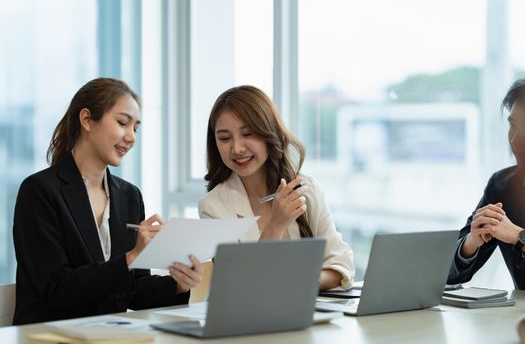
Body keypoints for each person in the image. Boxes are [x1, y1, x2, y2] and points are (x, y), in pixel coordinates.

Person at [12, 77, 202, 325]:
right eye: (123, 123)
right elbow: (55, 289)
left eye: (136, 128)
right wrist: (131, 257)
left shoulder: (129, 196)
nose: (131, 137)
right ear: (87, 120)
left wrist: (177, 284)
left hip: (108, 335)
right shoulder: (39, 192)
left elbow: (132, 289)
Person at [198, 85, 355, 290]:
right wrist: (275, 225)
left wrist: (300, 282)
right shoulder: (213, 206)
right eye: (225, 138)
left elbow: (341, 264)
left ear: (268, 133)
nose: (237, 148)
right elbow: (242, 284)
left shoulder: (305, 189)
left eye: (248, 134)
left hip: (312, 311)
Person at [448, 79, 525, 289]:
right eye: (512, 125)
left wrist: (519, 237)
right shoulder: (502, 185)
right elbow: (450, 275)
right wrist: (472, 241)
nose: (516, 139)